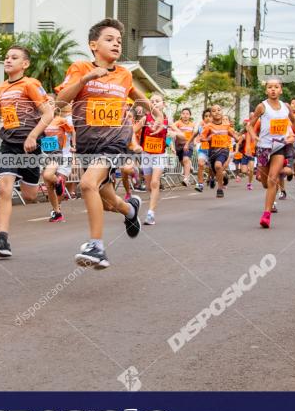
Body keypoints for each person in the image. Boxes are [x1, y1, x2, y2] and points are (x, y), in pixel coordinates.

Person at [56, 18, 153, 270]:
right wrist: (86, 79)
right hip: (88, 144)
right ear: (93, 45)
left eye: (119, 41)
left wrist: (149, 108)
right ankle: (130, 210)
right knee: (108, 200)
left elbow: (139, 98)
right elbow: (60, 101)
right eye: (109, 39)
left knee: (87, 184)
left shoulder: (124, 74)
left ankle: (96, 246)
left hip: (114, 143)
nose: (116, 44)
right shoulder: (79, 67)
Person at [0, 46, 54, 258]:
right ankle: (2, 239)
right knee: (4, 187)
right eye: (6, 57)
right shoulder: (1, 88)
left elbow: (48, 113)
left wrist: (33, 136)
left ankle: (40, 180)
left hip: (31, 146)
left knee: (29, 195)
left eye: (14, 58)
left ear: (25, 64)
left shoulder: (31, 84)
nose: (8, 60)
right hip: (9, 144)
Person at [248, 78, 295, 228]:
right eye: (270, 87)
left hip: (279, 147)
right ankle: (279, 173)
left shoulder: (286, 107)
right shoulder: (262, 107)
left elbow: (294, 121)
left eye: (276, 87)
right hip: (264, 148)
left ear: (281, 90)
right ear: (266, 90)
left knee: (272, 180)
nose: (273, 89)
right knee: (265, 183)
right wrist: (254, 137)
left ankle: (266, 214)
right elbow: (249, 126)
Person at [40, 94, 75, 222]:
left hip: (63, 154)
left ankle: (58, 206)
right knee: (49, 184)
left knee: (55, 179)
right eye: (45, 102)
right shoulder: (41, 121)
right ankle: (57, 211)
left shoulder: (62, 120)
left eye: (50, 102)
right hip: (49, 155)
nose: (48, 105)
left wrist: (74, 146)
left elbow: (72, 132)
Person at [138, 93, 170, 224]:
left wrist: (175, 134)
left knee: (155, 183)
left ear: (163, 104)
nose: (155, 103)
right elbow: (133, 130)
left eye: (157, 101)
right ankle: (153, 198)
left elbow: (178, 133)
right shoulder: (145, 119)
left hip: (160, 155)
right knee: (149, 186)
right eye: (152, 101)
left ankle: (151, 213)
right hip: (146, 155)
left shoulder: (167, 120)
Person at [200, 104, 242, 198]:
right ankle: (222, 177)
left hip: (223, 151)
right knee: (214, 169)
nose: (217, 112)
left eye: (219, 110)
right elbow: (201, 138)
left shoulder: (226, 126)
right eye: (214, 111)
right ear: (211, 114)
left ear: (222, 112)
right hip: (212, 152)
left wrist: (238, 138)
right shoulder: (208, 126)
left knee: (218, 166)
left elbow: (236, 137)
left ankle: (220, 188)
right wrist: (208, 139)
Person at [171, 108, 196, 186]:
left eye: (187, 114)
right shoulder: (178, 123)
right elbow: (172, 126)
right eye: (183, 113)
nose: (185, 115)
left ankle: (186, 179)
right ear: (181, 115)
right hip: (179, 146)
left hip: (188, 145)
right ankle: (190, 167)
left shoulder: (192, 125)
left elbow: (195, 133)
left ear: (190, 116)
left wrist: (194, 141)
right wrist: (178, 132)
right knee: (183, 162)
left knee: (185, 160)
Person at [193, 108, 212, 192]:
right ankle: (200, 184)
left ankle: (210, 178)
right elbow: (194, 135)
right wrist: (188, 143)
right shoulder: (201, 127)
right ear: (203, 118)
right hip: (203, 149)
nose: (208, 118)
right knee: (200, 164)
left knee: (212, 168)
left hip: (213, 151)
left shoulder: (217, 127)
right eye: (206, 116)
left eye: (210, 116)